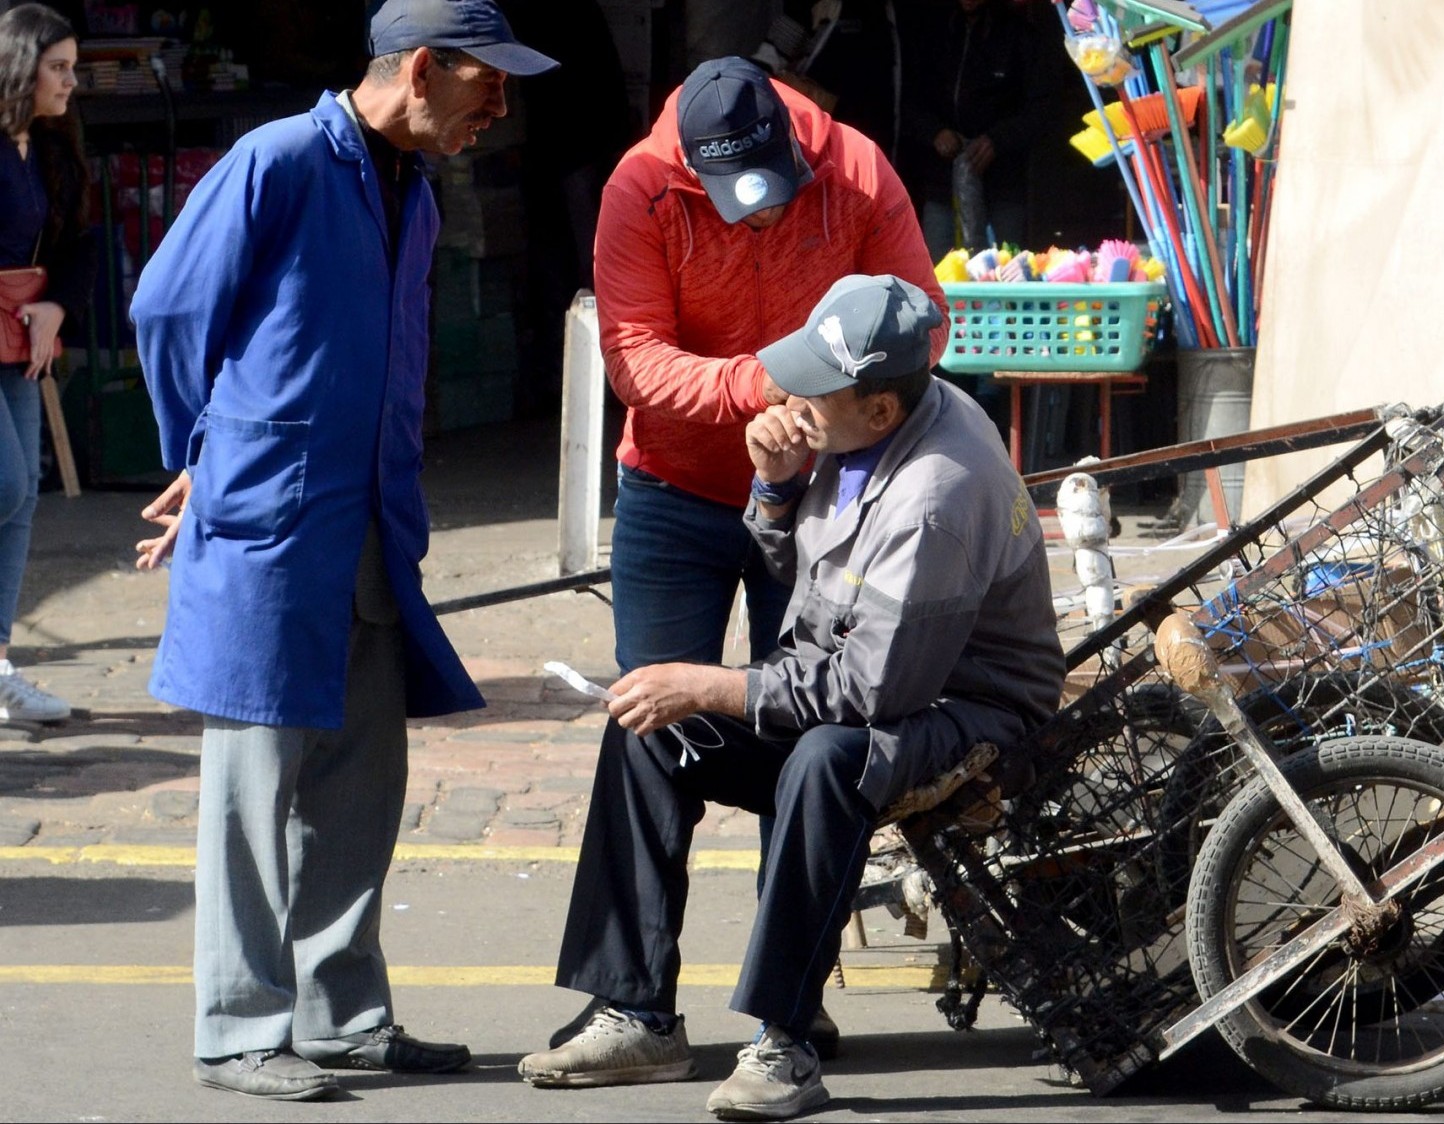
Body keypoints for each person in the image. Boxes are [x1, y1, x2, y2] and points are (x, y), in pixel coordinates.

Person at [127, 0, 556, 1102]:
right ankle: (237, 1027)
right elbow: (170, 308)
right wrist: (201, 451)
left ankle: (341, 1012)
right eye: (485, 83)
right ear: (421, 69)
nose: (500, 107)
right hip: (270, 517)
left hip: (369, 519)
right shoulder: (278, 159)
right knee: (254, 786)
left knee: (363, 776)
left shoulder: (413, 187)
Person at [517, 274, 1063, 1120]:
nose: (792, 398)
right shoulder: (866, 428)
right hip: (889, 682)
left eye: (817, 385)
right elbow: (813, 590)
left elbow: (870, 692)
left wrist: (715, 683)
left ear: (880, 410)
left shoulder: (933, 499)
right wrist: (774, 486)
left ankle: (785, 1040)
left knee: (825, 761)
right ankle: (634, 1011)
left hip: (970, 713)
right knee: (647, 729)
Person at [574, 54, 945, 1052]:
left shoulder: (856, 170)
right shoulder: (638, 188)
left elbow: (920, 320)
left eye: (775, 196)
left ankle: (792, 999)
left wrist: (819, 419)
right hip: (674, 488)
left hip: (824, 492)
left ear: (795, 133)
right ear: (690, 166)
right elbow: (634, 356)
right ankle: (630, 1004)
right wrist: (757, 391)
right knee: (650, 717)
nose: (760, 218)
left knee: (820, 735)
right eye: (732, 199)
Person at [0, 3, 92, 723]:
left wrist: (57, 305)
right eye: (58, 68)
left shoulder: (56, 145)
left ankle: (0, 666)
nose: (71, 81)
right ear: (20, 67)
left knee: (23, 493)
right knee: (3, 483)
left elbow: (81, 244)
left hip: (23, 331)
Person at [899, 0, 1059, 258]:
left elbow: (1042, 109)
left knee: (1008, 269)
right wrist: (935, 132)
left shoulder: (1019, 35)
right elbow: (908, 99)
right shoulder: (932, 32)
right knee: (938, 272)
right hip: (942, 182)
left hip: (1003, 183)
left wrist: (997, 141)